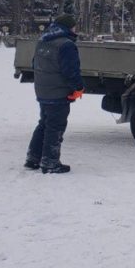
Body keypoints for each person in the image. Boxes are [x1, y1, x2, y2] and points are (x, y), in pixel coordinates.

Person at [25, 14, 83, 174]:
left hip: (43, 91)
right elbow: (71, 71)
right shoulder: (66, 45)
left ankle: (33, 158)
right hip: (58, 92)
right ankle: (50, 162)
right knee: (55, 126)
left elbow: (33, 64)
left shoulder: (43, 40)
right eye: (74, 26)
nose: (75, 29)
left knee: (44, 123)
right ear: (68, 27)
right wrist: (78, 88)